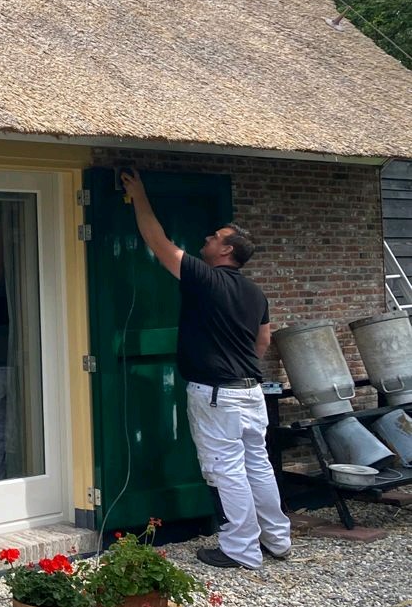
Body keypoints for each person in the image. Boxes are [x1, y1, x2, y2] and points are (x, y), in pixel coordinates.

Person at [119, 169, 292, 570]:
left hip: (217, 394)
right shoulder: (255, 292)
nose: (208, 238)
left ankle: (240, 549)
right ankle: (278, 540)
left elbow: (159, 243)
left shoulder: (206, 279)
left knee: (224, 470)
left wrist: (139, 195)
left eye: (215, 237)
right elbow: (263, 340)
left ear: (227, 250)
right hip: (250, 391)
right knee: (258, 467)